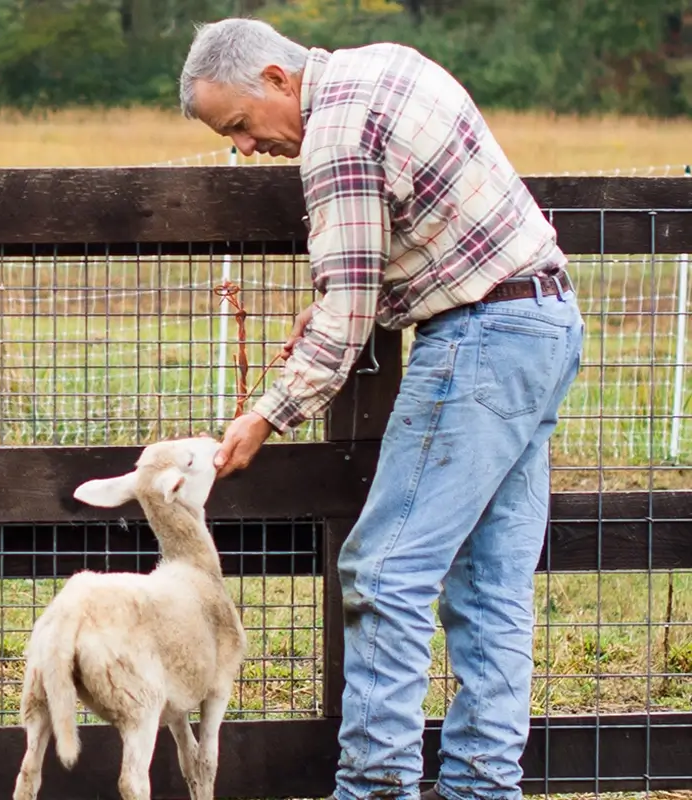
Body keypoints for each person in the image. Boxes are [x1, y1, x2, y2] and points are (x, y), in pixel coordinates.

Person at [179, 18, 584, 800]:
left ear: (275, 78)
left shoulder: (333, 135)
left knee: (384, 570)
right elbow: (422, 235)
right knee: (491, 586)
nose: (246, 148)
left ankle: (375, 787)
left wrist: (264, 414)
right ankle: (482, 787)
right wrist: (352, 300)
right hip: (546, 322)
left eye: (240, 125)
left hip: (482, 340)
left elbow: (347, 309)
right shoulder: (385, 67)